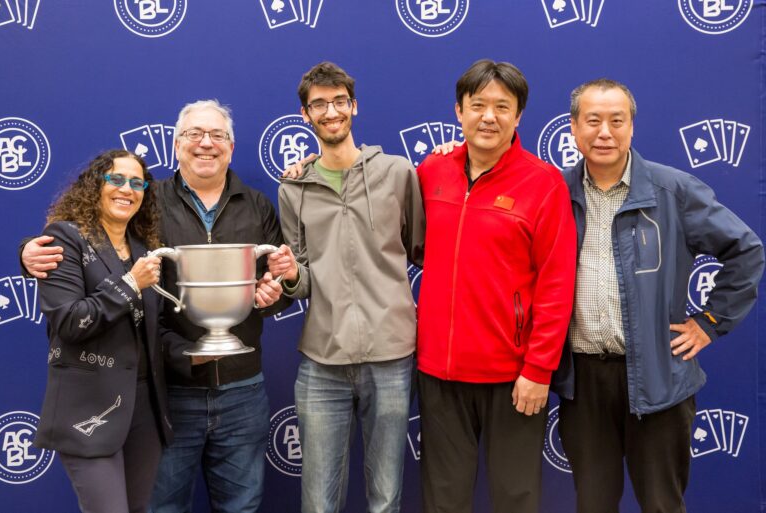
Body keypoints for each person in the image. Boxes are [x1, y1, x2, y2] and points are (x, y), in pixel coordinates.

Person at [22, 100, 289, 513]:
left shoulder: (258, 205)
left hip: (242, 389)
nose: (206, 144)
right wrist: (26, 255)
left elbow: (276, 287)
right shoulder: (149, 203)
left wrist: (278, 291)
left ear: (231, 148)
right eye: (194, 135)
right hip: (169, 394)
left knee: (241, 506)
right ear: (176, 145)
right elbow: (91, 243)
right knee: (161, 507)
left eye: (217, 135)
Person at [554, 79, 765, 513]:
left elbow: (746, 251)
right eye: (592, 121)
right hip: (584, 383)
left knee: (662, 505)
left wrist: (710, 322)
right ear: (574, 129)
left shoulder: (672, 190)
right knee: (592, 505)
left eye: (617, 120)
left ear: (632, 127)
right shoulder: (554, 194)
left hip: (659, 379)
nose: (605, 132)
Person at [414, 59, 576, 513]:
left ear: (519, 116)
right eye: (478, 105)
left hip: (514, 376)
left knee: (515, 497)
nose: (489, 116)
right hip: (439, 373)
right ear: (458, 111)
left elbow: (557, 283)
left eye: (502, 106)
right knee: (443, 498)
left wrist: (538, 369)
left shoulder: (543, 183)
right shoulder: (432, 171)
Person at [267, 61, 425, 513]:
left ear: (354, 107)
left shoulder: (397, 173)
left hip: (392, 356)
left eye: (339, 101)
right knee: (318, 503)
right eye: (319, 104)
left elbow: (420, 247)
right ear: (305, 115)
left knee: (386, 498)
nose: (330, 111)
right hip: (322, 359)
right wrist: (291, 275)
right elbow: (300, 276)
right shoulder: (293, 186)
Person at [34, 149, 171, 513]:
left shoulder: (143, 248)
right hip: (88, 409)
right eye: (116, 179)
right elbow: (69, 321)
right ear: (96, 184)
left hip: (144, 409)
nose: (127, 188)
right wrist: (129, 284)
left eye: (137, 183)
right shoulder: (64, 238)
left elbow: (153, 332)